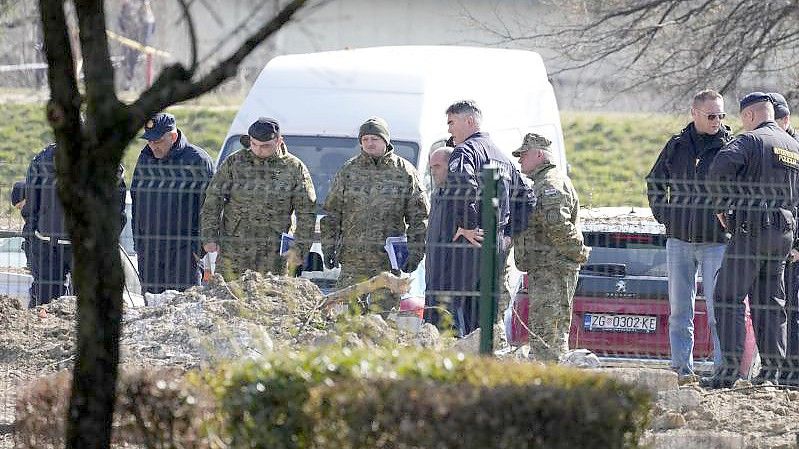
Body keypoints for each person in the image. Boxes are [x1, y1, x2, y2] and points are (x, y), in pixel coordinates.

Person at [702, 92, 799, 388]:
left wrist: (722, 206)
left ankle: (728, 373)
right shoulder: (793, 146)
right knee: (771, 303)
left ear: (749, 116)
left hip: (751, 232)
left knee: (728, 297)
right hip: (783, 235)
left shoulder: (750, 141)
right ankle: (772, 374)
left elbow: (719, 168)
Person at [645, 89, 733, 381]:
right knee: (680, 311)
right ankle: (681, 370)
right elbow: (655, 181)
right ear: (694, 113)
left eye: (721, 115)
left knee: (718, 309)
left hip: (716, 244)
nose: (717, 120)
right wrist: (666, 215)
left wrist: (729, 221)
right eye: (711, 115)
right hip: (679, 241)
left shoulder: (730, 146)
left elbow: (743, 190)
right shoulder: (677, 145)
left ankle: (723, 371)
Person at [438, 99, 529, 336]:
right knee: (483, 311)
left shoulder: (466, 151)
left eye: (451, 122)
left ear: (469, 121)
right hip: (496, 244)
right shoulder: (503, 157)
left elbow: (462, 185)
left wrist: (467, 225)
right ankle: (483, 358)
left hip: (472, 243)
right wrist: (508, 234)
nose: (449, 130)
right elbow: (527, 198)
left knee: (453, 307)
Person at [321, 117, 428, 310]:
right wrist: (328, 247)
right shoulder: (349, 170)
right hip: (353, 261)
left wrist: (415, 254)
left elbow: (419, 218)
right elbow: (332, 213)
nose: (369, 143)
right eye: (365, 139)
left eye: (375, 139)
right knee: (347, 318)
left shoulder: (404, 172)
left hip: (387, 262)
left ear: (385, 141)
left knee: (382, 317)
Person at [200, 117, 316, 279]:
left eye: (265, 146)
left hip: (273, 253)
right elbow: (213, 200)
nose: (259, 150)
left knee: (270, 300)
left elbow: (306, 212)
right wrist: (209, 236)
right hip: (234, 250)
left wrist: (299, 248)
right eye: (254, 144)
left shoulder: (294, 168)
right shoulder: (235, 162)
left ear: (279, 141)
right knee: (228, 298)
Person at [512, 133, 589, 361]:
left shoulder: (549, 184)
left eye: (524, 155)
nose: (520, 160)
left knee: (549, 332)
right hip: (546, 267)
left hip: (552, 268)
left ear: (539, 155)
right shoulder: (543, 182)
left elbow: (558, 225)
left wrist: (578, 252)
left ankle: (549, 375)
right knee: (546, 329)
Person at [23, 145, 127, 306]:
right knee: (45, 305)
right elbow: (31, 207)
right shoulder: (43, 160)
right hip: (47, 246)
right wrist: (31, 241)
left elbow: (117, 209)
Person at [130, 112, 214, 293]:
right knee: (152, 311)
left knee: (183, 309)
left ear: (173, 136)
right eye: (149, 141)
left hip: (183, 252)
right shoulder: (145, 159)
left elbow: (210, 207)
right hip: (149, 251)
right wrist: (139, 243)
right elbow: (136, 199)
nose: (153, 146)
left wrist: (197, 249)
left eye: (158, 141)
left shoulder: (197, 161)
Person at [771, 92, 799, 383]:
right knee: (776, 311)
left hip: (793, 249)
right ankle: (778, 374)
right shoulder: (767, 147)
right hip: (775, 244)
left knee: (793, 312)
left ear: (786, 119)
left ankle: (792, 376)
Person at [424, 145, 455, 327]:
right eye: (431, 167)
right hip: (433, 269)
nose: (433, 172)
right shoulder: (438, 193)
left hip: (449, 271)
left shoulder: (457, 196)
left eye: (437, 166)